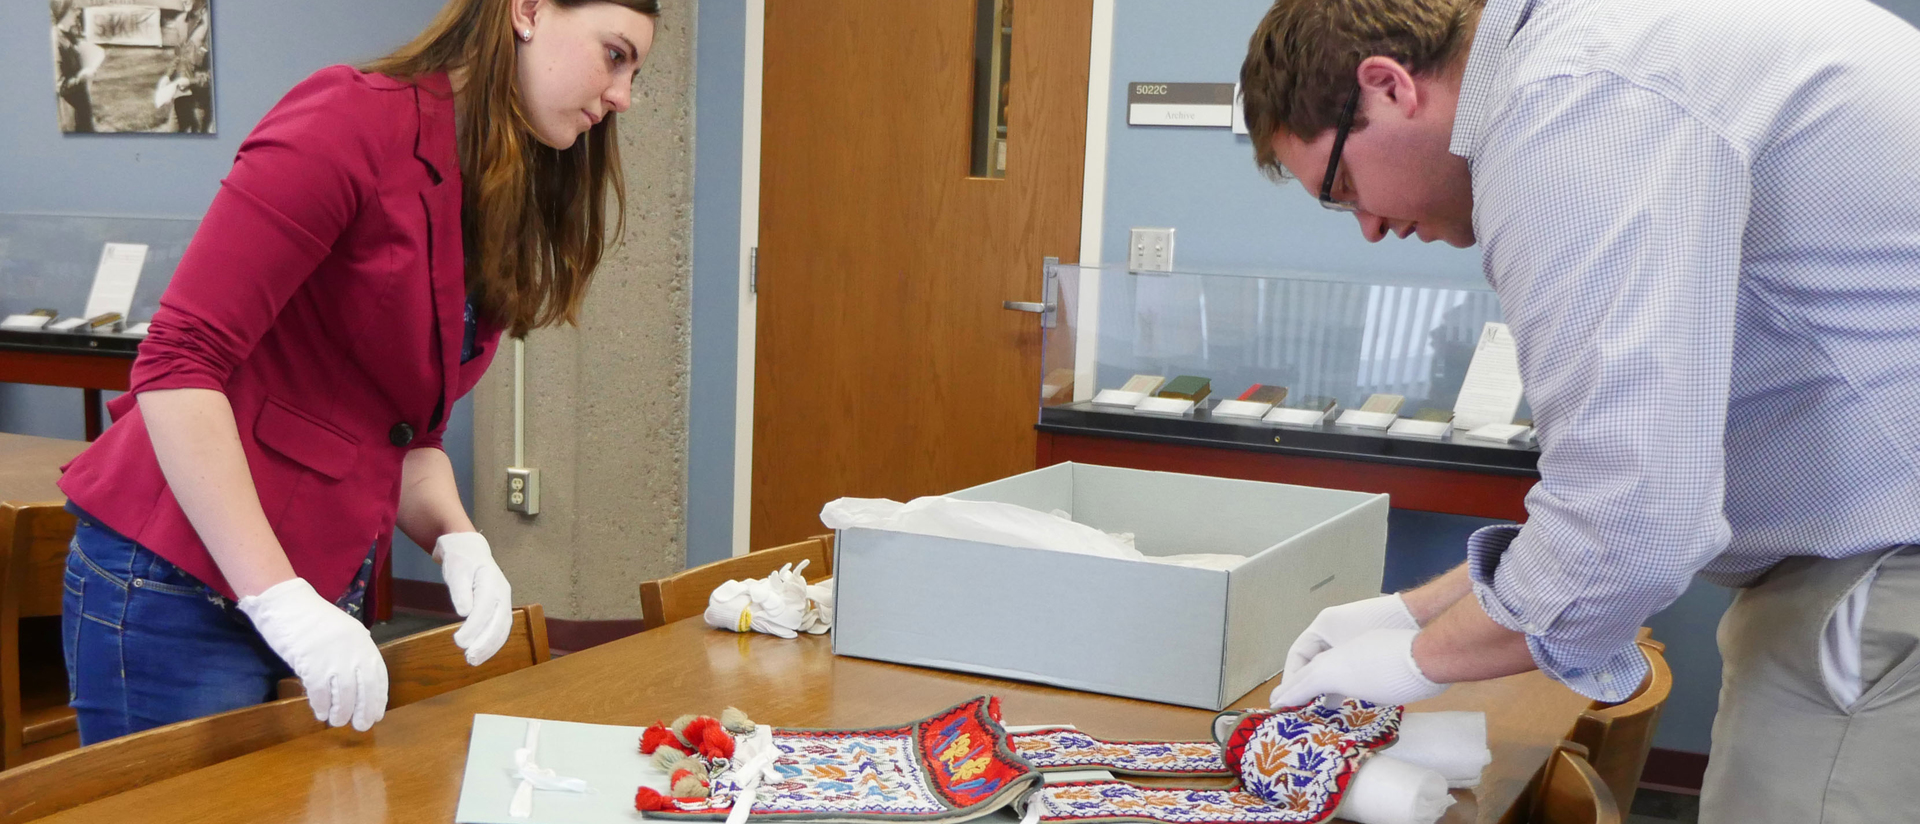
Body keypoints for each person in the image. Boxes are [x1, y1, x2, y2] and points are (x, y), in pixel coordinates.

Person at [1238, 0, 1920, 820]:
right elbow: (1639, 480)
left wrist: (1418, 658)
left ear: (1388, 87)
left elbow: (1629, 521)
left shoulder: (1570, 101)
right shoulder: (1610, 47)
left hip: (1885, 571)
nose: (1372, 227)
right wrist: (1411, 608)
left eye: (1345, 187)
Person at [56, 0, 659, 742]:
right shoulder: (351, 119)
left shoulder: (493, 185)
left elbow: (404, 435)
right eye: (615, 55)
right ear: (528, 11)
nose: (623, 95)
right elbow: (179, 363)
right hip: (178, 582)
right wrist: (278, 597)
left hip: (315, 588)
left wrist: (457, 539)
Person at [50, 0, 99, 133]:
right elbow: (60, 86)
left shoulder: (70, 36)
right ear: (63, 11)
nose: (78, 12)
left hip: (82, 109)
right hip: (72, 118)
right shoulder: (55, 40)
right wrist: (83, 76)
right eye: (74, 8)